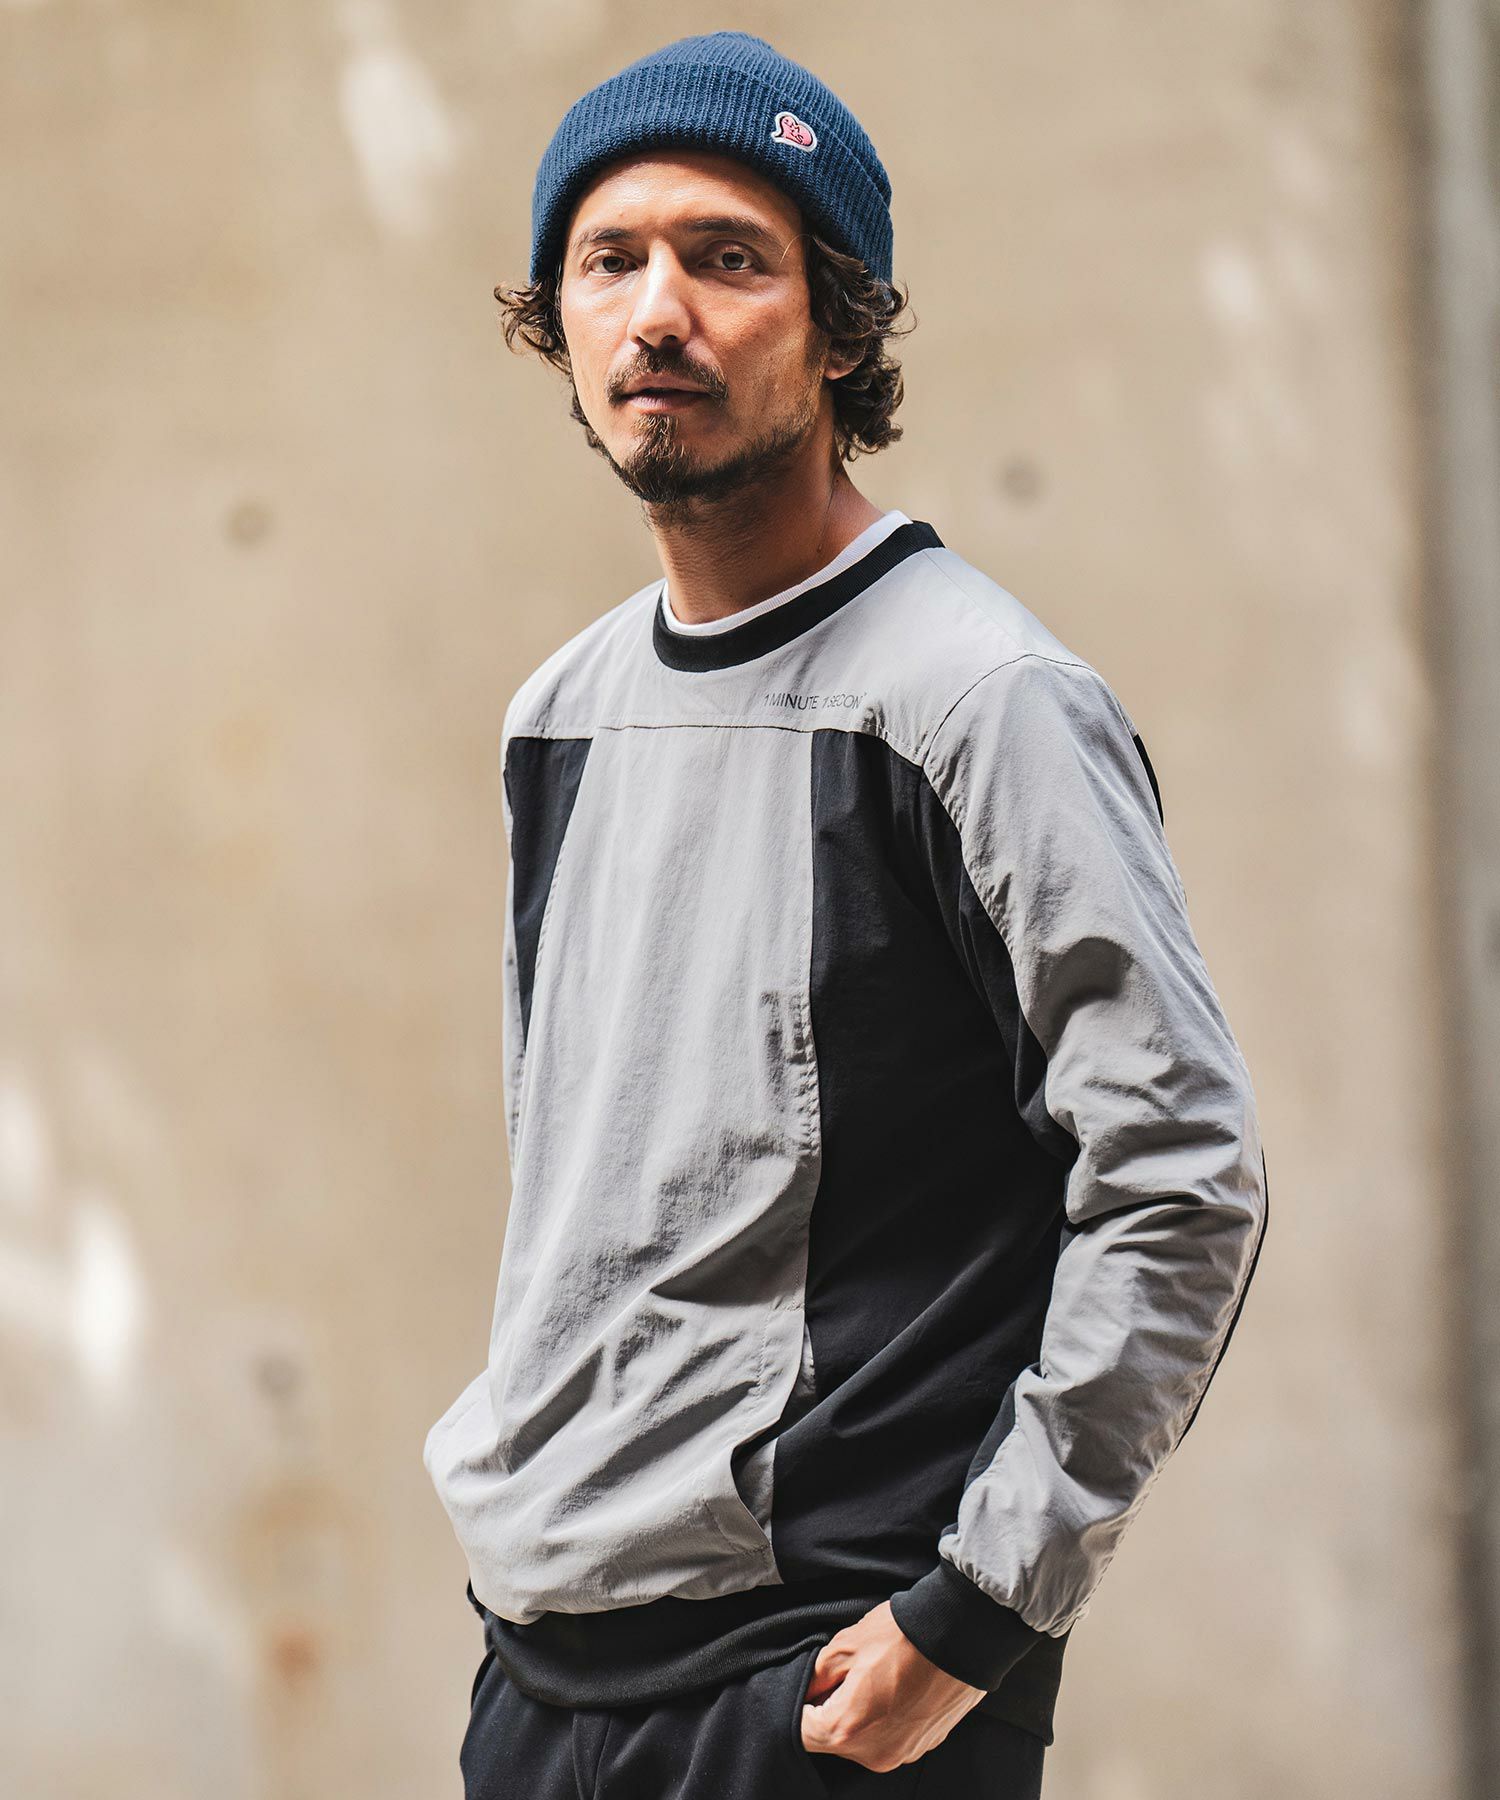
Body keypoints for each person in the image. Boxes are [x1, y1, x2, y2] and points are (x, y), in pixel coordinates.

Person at [423, 30, 1269, 1800]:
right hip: (542, 1667)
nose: (659, 312)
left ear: (837, 326)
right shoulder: (560, 714)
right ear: (556, 322)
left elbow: (1181, 1174)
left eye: (729, 257)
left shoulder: (979, 702)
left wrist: (977, 1615)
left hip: (819, 1678)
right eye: (610, 260)